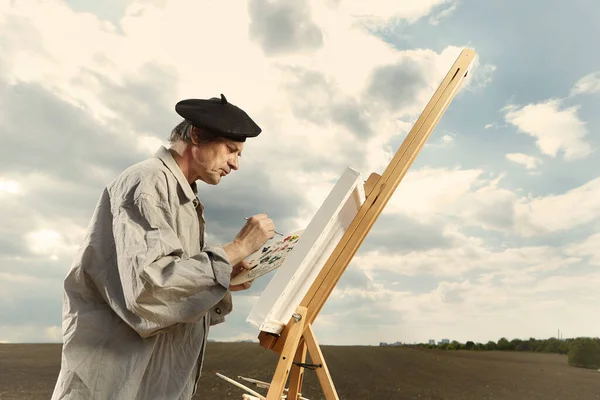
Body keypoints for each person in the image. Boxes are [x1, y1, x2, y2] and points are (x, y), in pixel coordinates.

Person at [51, 94, 275, 400]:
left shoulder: (184, 195)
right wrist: (235, 248)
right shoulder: (147, 183)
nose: (235, 164)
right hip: (112, 381)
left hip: (148, 379)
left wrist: (223, 277)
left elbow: (172, 285)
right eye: (231, 150)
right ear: (196, 134)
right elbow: (150, 289)